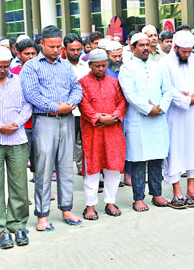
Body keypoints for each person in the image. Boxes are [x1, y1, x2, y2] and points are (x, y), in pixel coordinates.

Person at [20, 25, 83, 231]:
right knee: (44, 168)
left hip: (66, 119)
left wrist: (70, 104)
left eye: (58, 46)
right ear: (42, 44)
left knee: (66, 166)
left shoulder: (65, 65)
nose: (56, 50)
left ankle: (66, 209)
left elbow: (76, 87)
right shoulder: (31, 66)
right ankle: (42, 215)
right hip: (45, 120)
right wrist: (56, 107)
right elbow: (32, 95)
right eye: (52, 46)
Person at [118, 33, 173, 212]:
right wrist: (148, 109)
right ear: (133, 48)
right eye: (140, 45)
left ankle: (156, 194)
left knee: (157, 158)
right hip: (139, 119)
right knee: (139, 160)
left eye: (147, 45)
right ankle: (138, 198)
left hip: (158, 118)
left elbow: (168, 90)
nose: (145, 48)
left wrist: (161, 107)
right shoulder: (127, 68)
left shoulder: (158, 66)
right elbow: (130, 94)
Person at [161, 30, 194, 208]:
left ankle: (191, 189)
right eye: (184, 51)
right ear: (175, 47)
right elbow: (166, 88)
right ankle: (177, 193)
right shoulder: (165, 63)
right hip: (176, 114)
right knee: (176, 150)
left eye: (189, 51)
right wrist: (185, 99)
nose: (187, 54)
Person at [78, 49, 127, 220]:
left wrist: (115, 116)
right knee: (92, 169)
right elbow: (83, 104)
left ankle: (110, 202)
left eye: (104, 66)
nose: (101, 69)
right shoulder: (82, 83)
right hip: (93, 132)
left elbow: (122, 102)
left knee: (113, 168)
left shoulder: (114, 82)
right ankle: (90, 206)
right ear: (90, 65)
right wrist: (99, 118)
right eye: (97, 66)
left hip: (113, 131)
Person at [0, 46, 33, 248]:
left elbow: (27, 105)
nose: (2, 71)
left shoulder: (19, 81)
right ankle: (1, 229)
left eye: (5, 67)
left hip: (17, 138)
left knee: (19, 185)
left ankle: (18, 225)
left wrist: (17, 124)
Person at [10, 39, 38, 175]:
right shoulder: (12, 73)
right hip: (20, 124)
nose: (31, 57)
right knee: (20, 162)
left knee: (40, 160)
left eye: (33, 53)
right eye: (27, 54)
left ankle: (41, 192)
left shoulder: (41, 71)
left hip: (39, 121)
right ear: (19, 54)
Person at [64, 33, 90, 175]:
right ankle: (67, 170)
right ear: (65, 50)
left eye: (78, 49)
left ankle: (84, 168)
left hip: (85, 111)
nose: (76, 52)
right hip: (69, 111)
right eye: (72, 50)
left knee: (86, 143)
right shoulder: (61, 67)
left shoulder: (87, 66)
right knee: (69, 143)